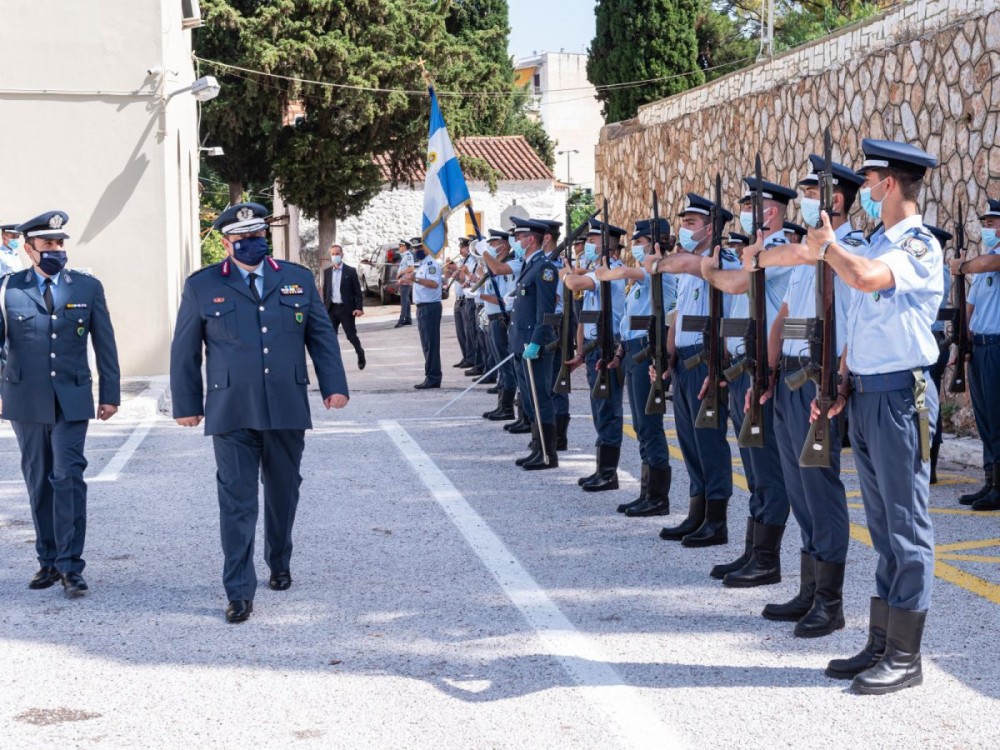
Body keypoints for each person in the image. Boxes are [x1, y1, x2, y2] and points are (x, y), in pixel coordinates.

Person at [170, 202, 349, 623]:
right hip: (231, 409)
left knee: (284, 491)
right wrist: (187, 405)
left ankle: (279, 560)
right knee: (237, 501)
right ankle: (238, 590)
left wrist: (334, 386)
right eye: (244, 238)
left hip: (286, 405)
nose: (254, 243)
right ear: (226, 242)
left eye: (258, 236)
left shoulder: (297, 278)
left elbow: (320, 336)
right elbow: (184, 350)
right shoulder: (203, 285)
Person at [811, 139, 942, 694]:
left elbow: (864, 280)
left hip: (899, 397)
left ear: (890, 184)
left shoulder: (918, 245)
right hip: (867, 394)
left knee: (907, 529)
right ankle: (882, 640)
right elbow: (862, 325)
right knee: (884, 528)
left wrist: (827, 248)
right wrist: (842, 381)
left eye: (868, 181)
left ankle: (906, 658)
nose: (862, 190)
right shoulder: (875, 243)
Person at [752, 154, 866, 635]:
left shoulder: (849, 249)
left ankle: (830, 601)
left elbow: (850, 324)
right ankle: (808, 587)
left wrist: (836, 378)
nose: (802, 200)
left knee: (821, 489)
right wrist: (766, 373)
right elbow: (782, 317)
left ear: (834, 199)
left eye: (811, 192)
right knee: (799, 487)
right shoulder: (806, 251)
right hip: (789, 380)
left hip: (820, 380)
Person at [0, 210, 120, 597]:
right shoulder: (8, 289)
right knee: (39, 480)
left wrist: (111, 394)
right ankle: (48, 561)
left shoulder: (85, 287)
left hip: (72, 397)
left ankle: (71, 566)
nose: (56, 249)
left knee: (68, 475)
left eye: (60, 243)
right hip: (25, 399)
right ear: (29, 247)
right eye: (48, 243)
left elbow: (105, 342)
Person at [697, 177, 794, 586]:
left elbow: (735, 283)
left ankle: (767, 560)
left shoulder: (780, 252)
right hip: (740, 370)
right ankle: (753, 550)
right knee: (753, 465)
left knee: (767, 467)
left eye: (752, 208)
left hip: (764, 370)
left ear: (768, 212)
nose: (747, 215)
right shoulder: (757, 253)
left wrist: (708, 271)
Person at [653, 194, 737, 547]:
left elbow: (685, 267)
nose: (683, 229)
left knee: (709, 441)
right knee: (688, 440)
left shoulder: (722, 263)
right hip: (685, 361)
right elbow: (679, 318)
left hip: (708, 360)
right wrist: (667, 356)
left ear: (711, 228)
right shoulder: (688, 266)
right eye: (683, 222)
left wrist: (716, 367)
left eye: (690, 223)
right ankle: (696, 511)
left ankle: (716, 520)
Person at [600, 218, 676, 513]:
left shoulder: (661, 273)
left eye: (640, 242)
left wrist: (607, 270)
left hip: (648, 353)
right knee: (641, 426)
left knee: (650, 424)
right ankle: (647, 492)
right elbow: (629, 322)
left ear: (656, 244)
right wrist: (619, 353)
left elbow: (623, 271)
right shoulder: (643, 278)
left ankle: (658, 498)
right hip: (632, 352)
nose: (636, 248)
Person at [564, 219, 627, 490]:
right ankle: (602, 467)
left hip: (607, 346)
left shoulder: (611, 273)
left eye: (591, 242)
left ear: (607, 248)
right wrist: (580, 351)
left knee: (608, 409)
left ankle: (609, 472)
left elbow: (572, 283)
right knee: (599, 408)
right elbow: (584, 318)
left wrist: (568, 273)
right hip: (592, 347)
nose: (585, 246)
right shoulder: (595, 273)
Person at [951, 198, 1000, 510]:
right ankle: (990, 481)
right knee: (984, 418)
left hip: (997, 346)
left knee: (997, 417)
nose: (986, 228)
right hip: (980, 348)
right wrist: (963, 343)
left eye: (992, 223)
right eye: (984, 223)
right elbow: (970, 307)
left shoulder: (988, 262)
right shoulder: (983, 265)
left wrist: (962, 267)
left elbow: (988, 264)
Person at [509, 217, 560, 470]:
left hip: (535, 344)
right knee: (529, 399)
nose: (515, 242)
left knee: (541, 398)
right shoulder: (528, 265)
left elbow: (546, 312)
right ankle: (536, 447)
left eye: (519, 237)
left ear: (531, 239)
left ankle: (548, 454)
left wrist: (537, 342)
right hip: (522, 343)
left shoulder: (544, 268)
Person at [924, 225, 952, 484]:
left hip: (933, 340)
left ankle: (929, 463)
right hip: (932, 340)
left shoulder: (938, 272)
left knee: (928, 402)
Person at [479, 229, 517, 420]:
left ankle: (508, 407)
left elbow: (505, 300)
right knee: (501, 366)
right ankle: (502, 404)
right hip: (493, 319)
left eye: (492, 245)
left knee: (506, 364)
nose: (489, 248)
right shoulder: (497, 266)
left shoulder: (506, 268)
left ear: (502, 245)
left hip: (502, 320)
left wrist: (480, 296)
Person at [398, 237, 443, 389]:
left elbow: (434, 284)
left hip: (430, 307)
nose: (417, 251)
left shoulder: (431, 264)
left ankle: (433, 377)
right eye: (415, 248)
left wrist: (415, 279)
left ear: (427, 248)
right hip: (423, 307)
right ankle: (431, 375)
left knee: (431, 344)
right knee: (426, 344)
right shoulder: (423, 264)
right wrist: (409, 280)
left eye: (419, 248)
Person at [322, 244, 366, 370]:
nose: (335, 256)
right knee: (330, 337)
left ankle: (360, 353)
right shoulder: (327, 272)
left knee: (351, 336)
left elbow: (357, 292)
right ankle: (334, 362)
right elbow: (326, 292)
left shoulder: (350, 271)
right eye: (333, 254)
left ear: (342, 255)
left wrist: (359, 308)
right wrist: (324, 309)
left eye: (337, 254)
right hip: (331, 309)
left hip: (346, 309)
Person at [395, 239, 414, 328]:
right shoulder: (404, 256)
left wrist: (400, 273)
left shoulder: (408, 256)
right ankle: (408, 319)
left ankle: (402, 319)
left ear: (405, 247)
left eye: (400, 246)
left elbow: (411, 268)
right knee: (406, 300)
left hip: (405, 281)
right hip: (403, 280)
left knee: (404, 300)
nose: (399, 248)